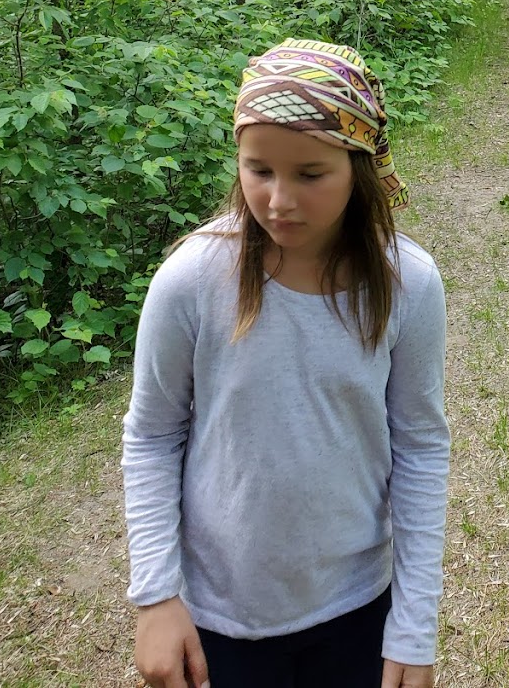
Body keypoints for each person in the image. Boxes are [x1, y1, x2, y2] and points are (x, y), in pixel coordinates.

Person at [122, 39, 450, 688]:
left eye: (310, 172)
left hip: (356, 608)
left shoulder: (408, 282)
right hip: (222, 620)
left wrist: (415, 625)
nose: (277, 198)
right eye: (259, 168)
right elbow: (152, 434)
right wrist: (157, 596)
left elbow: (421, 448)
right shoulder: (192, 279)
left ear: (358, 165)